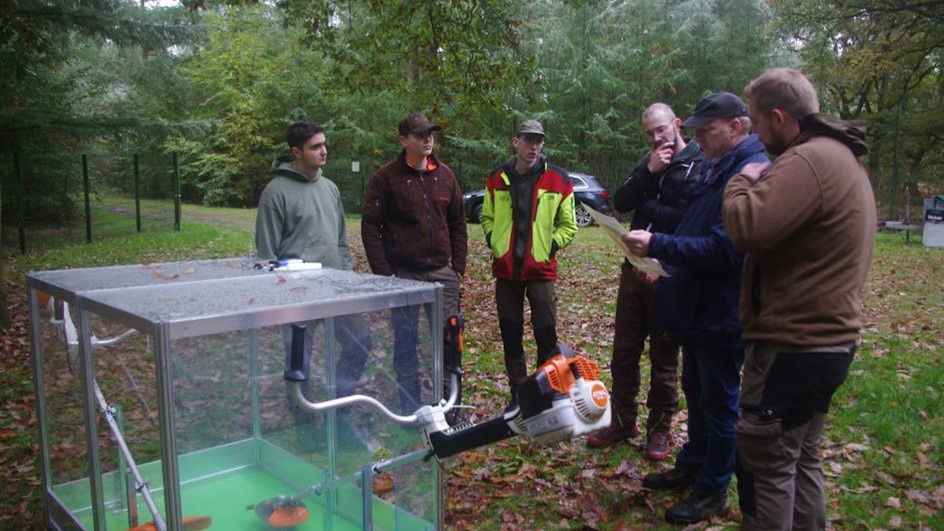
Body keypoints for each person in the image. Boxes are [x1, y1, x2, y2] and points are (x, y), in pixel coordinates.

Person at [723, 68, 876, 531]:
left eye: (755, 122)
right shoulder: (840, 158)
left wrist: (740, 180)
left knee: (765, 465)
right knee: (800, 458)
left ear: (778, 117)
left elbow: (746, 226)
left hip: (792, 347)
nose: (754, 134)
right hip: (828, 344)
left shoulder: (807, 161)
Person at [623, 93, 768, 524]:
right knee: (698, 393)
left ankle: (712, 490)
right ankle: (693, 465)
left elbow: (724, 249)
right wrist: (664, 262)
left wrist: (658, 244)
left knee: (719, 405)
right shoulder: (717, 163)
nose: (699, 137)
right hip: (697, 308)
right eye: (698, 130)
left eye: (707, 130)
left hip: (722, 310)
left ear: (736, 127)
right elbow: (693, 224)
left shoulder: (749, 170)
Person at [586, 103, 701, 460]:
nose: (655, 138)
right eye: (649, 133)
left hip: (669, 273)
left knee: (664, 355)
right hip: (633, 268)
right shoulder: (648, 161)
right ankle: (622, 421)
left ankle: (659, 429)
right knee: (624, 350)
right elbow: (622, 202)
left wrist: (647, 205)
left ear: (677, 124)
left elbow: (686, 219)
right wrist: (648, 173)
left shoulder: (698, 164)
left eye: (661, 130)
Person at [255, 120, 373, 448]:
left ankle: (339, 412)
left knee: (360, 341)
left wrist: (346, 280)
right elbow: (266, 255)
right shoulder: (275, 192)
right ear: (296, 152)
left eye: (324, 144)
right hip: (297, 296)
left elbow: (341, 242)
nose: (324, 151)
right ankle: (305, 427)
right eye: (315, 146)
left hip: (334, 291)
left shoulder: (330, 188)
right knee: (298, 363)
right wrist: (280, 297)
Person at [361, 112, 468, 417]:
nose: (427, 139)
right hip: (404, 275)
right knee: (406, 341)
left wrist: (457, 268)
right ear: (403, 140)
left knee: (448, 340)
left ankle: (450, 406)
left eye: (430, 134)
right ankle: (410, 407)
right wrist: (386, 274)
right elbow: (371, 226)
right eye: (420, 134)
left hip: (442, 274)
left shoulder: (446, 176)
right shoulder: (386, 178)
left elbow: (458, 223)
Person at [482, 119, 577, 409]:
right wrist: (495, 242)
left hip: (540, 270)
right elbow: (487, 217)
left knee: (545, 334)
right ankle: (517, 394)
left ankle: (543, 392)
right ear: (516, 142)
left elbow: (569, 225)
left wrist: (549, 246)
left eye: (538, 140)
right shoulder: (497, 178)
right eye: (528, 139)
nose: (533, 146)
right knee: (511, 334)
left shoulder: (559, 180)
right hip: (507, 271)